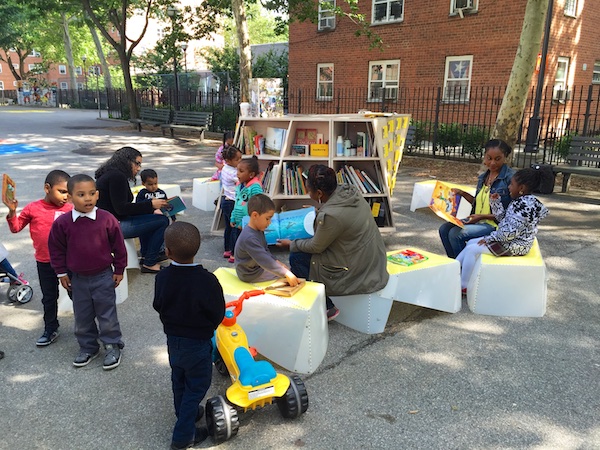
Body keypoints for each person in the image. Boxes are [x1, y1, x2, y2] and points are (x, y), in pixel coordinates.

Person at [277, 164, 389, 321]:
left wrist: (291, 244)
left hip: (356, 268)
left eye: (309, 191)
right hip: (371, 257)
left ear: (320, 193)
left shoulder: (330, 216)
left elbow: (316, 246)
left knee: (297, 257)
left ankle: (326, 306)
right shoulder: (348, 192)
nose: (309, 195)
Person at [153, 222, 225, 450]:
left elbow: (158, 305)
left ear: (168, 251)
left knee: (179, 379)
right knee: (197, 386)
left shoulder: (162, 278)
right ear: (197, 249)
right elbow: (218, 312)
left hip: (174, 341)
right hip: (199, 343)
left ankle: (188, 412)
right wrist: (207, 327)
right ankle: (183, 435)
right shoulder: (208, 280)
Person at [48, 174, 127, 370]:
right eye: (81, 194)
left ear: (98, 194)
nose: (88, 198)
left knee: (107, 314)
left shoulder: (107, 219)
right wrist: (61, 273)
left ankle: (111, 344)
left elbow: (119, 247)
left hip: (103, 276)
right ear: (71, 197)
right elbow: (56, 249)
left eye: (92, 193)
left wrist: (119, 268)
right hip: (78, 279)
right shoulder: (63, 223)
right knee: (82, 316)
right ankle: (88, 347)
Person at [6, 169, 72, 346]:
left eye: (69, 192)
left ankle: (87, 328)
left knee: (78, 295)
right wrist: (12, 212)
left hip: (69, 262)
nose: (66, 196)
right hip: (45, 262)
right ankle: (51, 328)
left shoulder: (72, 208)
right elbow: (15, 227)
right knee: (49, 298)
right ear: (47, 188)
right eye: (62, 191)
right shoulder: (33, 208)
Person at [457, 168, 549, 290]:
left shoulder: (524, 206)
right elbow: (503, 218)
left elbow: (510, 233)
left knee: (472, 250)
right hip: (509, 240)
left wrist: (490, 238)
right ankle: (454, 270)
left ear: (521, 188)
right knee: (470, 243)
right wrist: (495, 202)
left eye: (512, 184)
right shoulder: (521, 202)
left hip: (515, 245)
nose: (509, 187)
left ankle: (463, 286)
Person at [95, 146, 169, 274]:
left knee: (150, 218)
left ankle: (147, 255)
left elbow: (122, 208)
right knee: (162, 221)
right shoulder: (116, 176)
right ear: (127, 161)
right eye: (137, 164)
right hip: (114, 227)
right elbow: (122, 209)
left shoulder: (112, 173)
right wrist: (150, 205)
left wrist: (149, 208)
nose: (139, 168)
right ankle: (150, 262)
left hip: (112, 222)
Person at [439, 138, 515, 258]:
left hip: (495, 225)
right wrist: (462, 194)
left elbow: (512, 213)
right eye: (489, 158)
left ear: (505, 157)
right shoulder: (483, 177)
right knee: (444, 229)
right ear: (484, 157)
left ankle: (462, 267)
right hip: (478, 220)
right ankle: (455, 264)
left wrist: (482, 216)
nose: (493, 163)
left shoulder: (510, 178)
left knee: (455, 234)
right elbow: (477, 203)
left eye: (497, 159)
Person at [235, 194, 299, 286]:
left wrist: (277, 262)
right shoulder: (249, 238)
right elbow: (264, 259)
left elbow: (265, 251)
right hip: (249, 274)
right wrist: (285, 273)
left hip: (256, 268)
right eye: (267, 218)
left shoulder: (258, 230)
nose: (269, 222)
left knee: (286, 270)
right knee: (285, 276)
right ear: (255, 215)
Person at [229, 156, 264, 263]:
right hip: (238, 220)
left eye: (241, 171)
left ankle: (244, 257)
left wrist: (246, 222)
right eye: (237, 170)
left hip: (248, 222)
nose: (237, 174)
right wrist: (233, 217)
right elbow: (237, 202)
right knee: (235, 237)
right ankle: (235, 254)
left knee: (247, 241)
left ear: (251, 174)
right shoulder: (239, 184)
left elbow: (257, 206)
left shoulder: (255, 187)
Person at [220, 145, 242, 262]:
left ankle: (227, 249)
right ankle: (234, 253)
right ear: (228, 161)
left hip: (226, 200)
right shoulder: (233, 172)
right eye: (237, 160)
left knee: (228, 227)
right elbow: (241, 180)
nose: (240, 162)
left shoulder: (225, 168)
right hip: (233, 202)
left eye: (240, 158)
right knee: (235, 228)